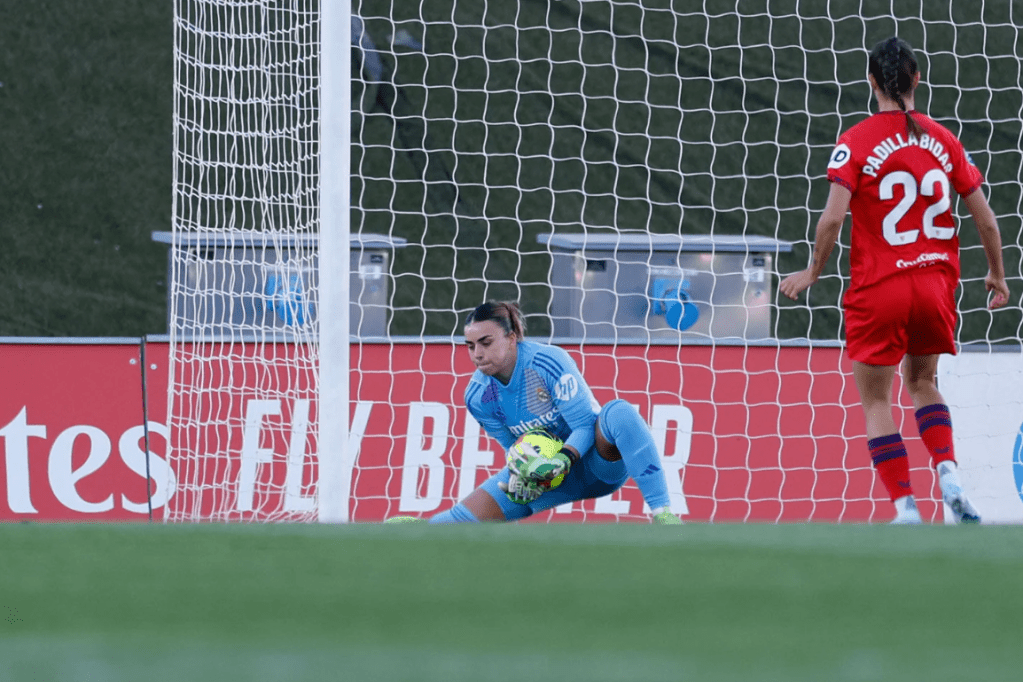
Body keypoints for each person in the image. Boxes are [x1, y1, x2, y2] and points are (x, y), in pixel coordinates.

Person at [780, 36, 1010, 524]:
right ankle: (949, 472)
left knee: (876, 399)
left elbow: (832, 219)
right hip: (934, 286)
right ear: (917, 80)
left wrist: (813, 270)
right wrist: (997, 273)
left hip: (880, 287)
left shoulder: (855, 140)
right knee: (924, 383)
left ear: (871, 82)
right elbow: (986, 221)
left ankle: (906, 507)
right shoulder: (944, 139)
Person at [387, 300, 683, 524]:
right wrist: (524, 475)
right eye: (470, 346)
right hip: (548, 478)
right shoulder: (478, 396)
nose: (477, 354)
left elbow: (584, 426)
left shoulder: (547, 362)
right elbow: (512, 446)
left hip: (596, 464)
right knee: (462, 519)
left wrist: (562, 460)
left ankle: (663, 513)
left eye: (486, 343)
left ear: (511, 337)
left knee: (619, 412)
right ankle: (424, 528)